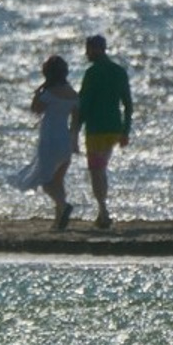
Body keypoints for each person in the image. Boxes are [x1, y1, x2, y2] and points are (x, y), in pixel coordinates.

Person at [72, 34, 132, 230]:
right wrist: (125, 130)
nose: (87, 53)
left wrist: (75, 129)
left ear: (95, 49)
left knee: (96, 170)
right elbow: (128, 104)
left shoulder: (93, 73)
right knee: (101, 168)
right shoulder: (118, 71)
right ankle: (102, 211)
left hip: (96, 129)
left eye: (88, 49)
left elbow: (84, 103)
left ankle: (103, 210)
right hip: (114, 127)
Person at [12, 54, 79, 230]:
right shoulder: (73, 94)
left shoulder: (48, 93)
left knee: (46, 180)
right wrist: (74, 141)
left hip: (50, 139)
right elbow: (76, 120)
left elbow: (36, 110)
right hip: (65, 139)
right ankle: (59, 220)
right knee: (58, 179)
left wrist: (37, 94)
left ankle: (63, 206)